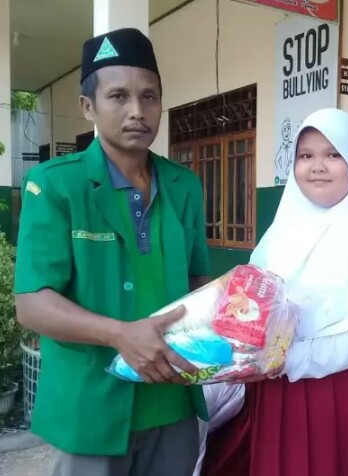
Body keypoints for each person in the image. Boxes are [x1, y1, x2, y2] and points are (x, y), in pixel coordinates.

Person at [14, 28, 210, 476]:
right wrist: (120, 335)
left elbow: (197, 283)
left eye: (149, 96)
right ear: (89, 107)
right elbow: (32, 304)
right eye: (118, 96)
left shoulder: (184, 185)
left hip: (173, 401)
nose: (137, 111)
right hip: (90, 408)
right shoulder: (55, 184)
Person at [201, 108, 348, 476]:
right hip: (279, 387)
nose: (317, 167)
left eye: (333, 154)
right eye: (306, 155)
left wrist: (302, 359)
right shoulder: (282, 230)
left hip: (347, 386)